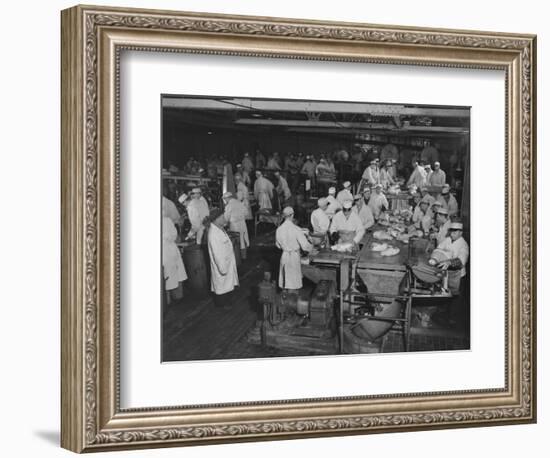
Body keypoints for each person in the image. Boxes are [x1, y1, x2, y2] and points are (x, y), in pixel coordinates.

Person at [204, 208, 239, 309]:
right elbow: (217, 254)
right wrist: (223, 269)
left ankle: (226, 303)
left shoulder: (219, 229)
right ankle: (222, 306)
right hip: (222, 265)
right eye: (222, 217)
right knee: (222, 286)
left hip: (227, 262)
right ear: (216, 219)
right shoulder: (213, 234)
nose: (224, 218)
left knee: (226, 285)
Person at [436, 221, 469, 327]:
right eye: (451, 231)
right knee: (446, 293)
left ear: (460, 232)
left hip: (458, 275)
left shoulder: (463, 245)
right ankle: (443, 315)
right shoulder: (448, 240)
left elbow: (461, 261)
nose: (452, 234)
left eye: (455, 232)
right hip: (447, 273)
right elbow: (439, 248)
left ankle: (452, 320)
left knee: (455, 298)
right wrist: (435, 257)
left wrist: (449, 262)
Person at [275, 207, 313, 291]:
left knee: (285, 281)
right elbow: (305, 246)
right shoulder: (296, 229)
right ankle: (292, 300)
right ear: (292, 215)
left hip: (284, 256)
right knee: (293, 283)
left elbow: (278, 245)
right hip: (294, 257)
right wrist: (311, 245)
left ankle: (284, 299)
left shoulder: (279, 229)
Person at [162, 214, 187, 304]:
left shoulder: (166, 219)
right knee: (176, 274)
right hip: (170, 249)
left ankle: (167, 301)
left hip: (166, 250)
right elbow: (174, 235)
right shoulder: (167, 219)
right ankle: (177, 297)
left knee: (166, 277)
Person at [222, 191, 250, 260]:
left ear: (227, 198)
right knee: (243, 238)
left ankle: (237, 257)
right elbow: (246, 212)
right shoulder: (239, 203)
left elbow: (226, 217)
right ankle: (244, 256)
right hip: (242, 223)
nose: (225, 201)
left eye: (225, 199)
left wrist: (224, 223)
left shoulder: (228, 206)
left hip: (234, 225)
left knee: (236, 240)